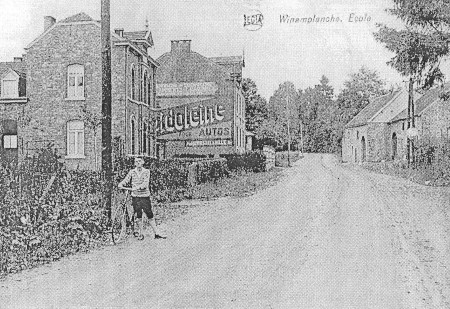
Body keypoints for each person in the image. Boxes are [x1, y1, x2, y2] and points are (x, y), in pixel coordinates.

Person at [118, 157, 166, 240]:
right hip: (135, 197)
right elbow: (126, 180)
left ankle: (156, 233)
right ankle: (141, 233)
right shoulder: (132, 172)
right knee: (138, 214)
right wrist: (121, 184)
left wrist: (138, 187)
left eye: (139, 161)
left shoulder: (146, 172)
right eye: (136, 161)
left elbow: (145, 183)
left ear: (143, 162)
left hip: (144, 196)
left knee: (149, 214)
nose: (138, 163)